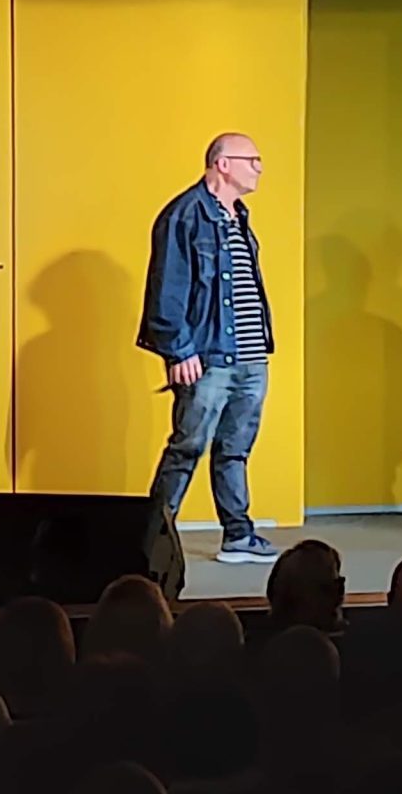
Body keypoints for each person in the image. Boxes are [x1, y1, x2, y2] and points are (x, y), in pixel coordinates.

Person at [137, 132, 279, 564]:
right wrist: (178, 349)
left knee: (235, 449)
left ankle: (238, 534)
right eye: (252, 159)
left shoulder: (238, 217)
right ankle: (148, 539)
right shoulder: (185, 215)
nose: (259, 168)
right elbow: (168, 286)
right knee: (186, 448)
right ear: (223, 164)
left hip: (250, 357)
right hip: (208, 358)